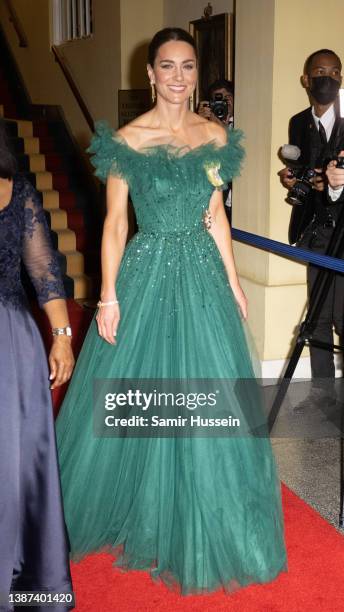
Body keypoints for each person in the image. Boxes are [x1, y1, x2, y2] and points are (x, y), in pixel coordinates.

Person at [56, 27, 286, 596]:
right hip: (148, 269)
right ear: (150, 74)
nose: (179, 77)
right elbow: (114, 224)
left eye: (187, 67)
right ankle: (138, 505)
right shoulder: (127, 141)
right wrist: (108, 295)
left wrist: (233, 283)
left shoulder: (213, 135)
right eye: (168, 66)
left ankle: (210, 513)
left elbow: (216, 216)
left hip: (203, 274)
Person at [0, 120, 75, 611]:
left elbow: (43, 271)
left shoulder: (17, 191)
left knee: (18, 465)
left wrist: (63, 335)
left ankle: (25, 576)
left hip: (9, 342)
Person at [279, 49, 344, 412]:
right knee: (317, 317)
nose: (328, 78)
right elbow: (302, 166)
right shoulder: (297, 122)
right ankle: (323, 395)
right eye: (320, 72)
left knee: (343, 316)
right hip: (316, 232)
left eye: (335, 72)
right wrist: (295, 179)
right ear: (306, 80)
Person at [198, 79, 234, 222]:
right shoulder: (207, 125)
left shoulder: (246, 121)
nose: (222, 104)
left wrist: (222, 127)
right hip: (216, 199)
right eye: (217, 100)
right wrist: (199, 123)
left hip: (239, 199)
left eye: (227, 98)